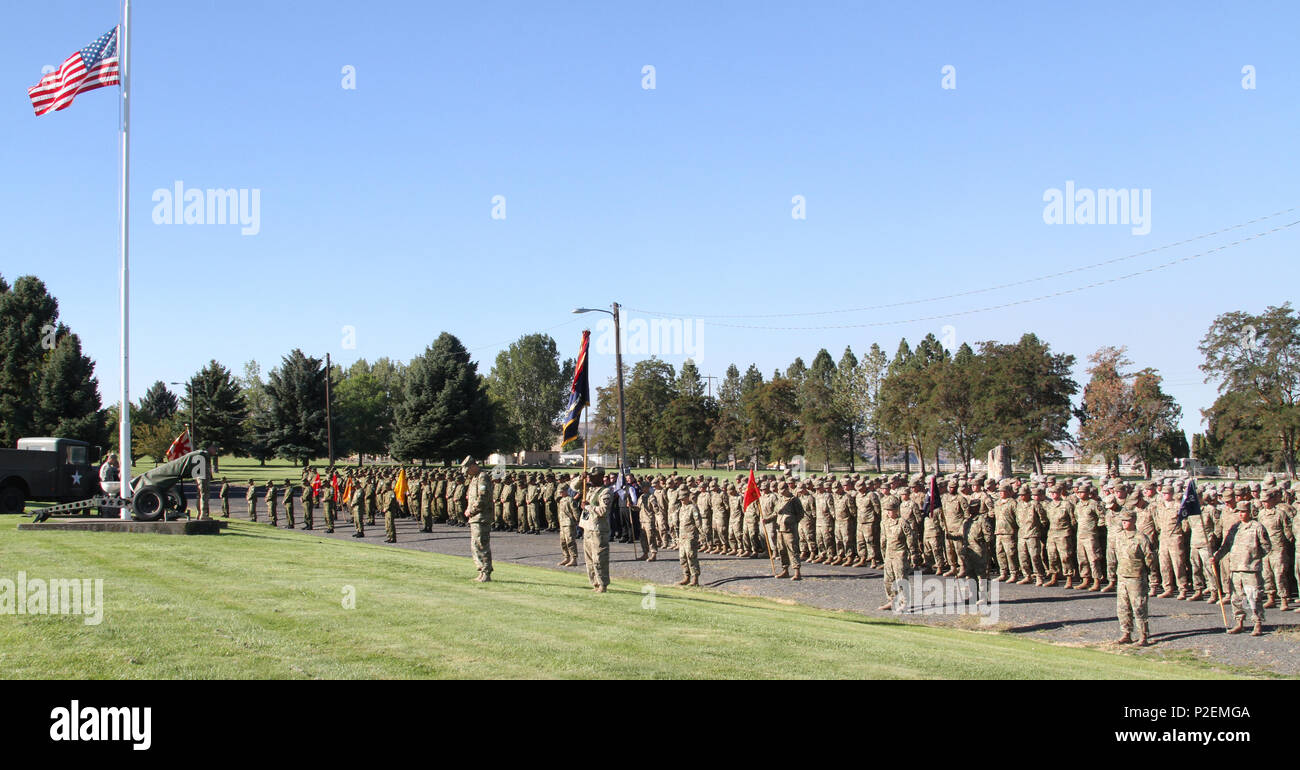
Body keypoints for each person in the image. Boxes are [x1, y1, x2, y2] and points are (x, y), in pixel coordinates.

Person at [1216, 500, 1273, 636]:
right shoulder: (1235, 528)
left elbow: (1266, 546)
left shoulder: (1257, 527)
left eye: (1244, 512)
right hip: (1236, 568)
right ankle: (1239, 623)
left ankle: (1257, 623)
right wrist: (1216, 557)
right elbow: (1226, 546)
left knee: (1254, 597)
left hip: (1251, 569)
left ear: (1250, 512)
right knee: (1236, 598)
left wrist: (1254, 556)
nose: (1241, 514)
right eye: (1239, 512)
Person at [1114, 509, 1158, 646]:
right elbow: (1115, 554)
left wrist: (1150, 573)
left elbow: (1150, 558)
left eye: (1127, 520)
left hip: (1136, 577)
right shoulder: (1119, 536)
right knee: (1122, 607)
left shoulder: (1141, 538)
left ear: (1134, 521)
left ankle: (1143, 636)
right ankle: (1126, 633)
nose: (1124, 523)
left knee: (1139, 607)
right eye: (1123, 521)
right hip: (1122, 575)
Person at [581, 466, 613, 592]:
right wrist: (580, 478)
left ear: (600, 477)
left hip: (598, 529)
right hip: (588, 527)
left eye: (592, 476)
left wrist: (588, 507)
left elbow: (604, 511)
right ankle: (595, 583)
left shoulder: (605, 492)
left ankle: (603, 584)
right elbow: (573, 486)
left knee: (599, 559)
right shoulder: (590, 489)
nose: (590, 478)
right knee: (589, 559)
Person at [462, 457, 493, 582]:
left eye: (468, 469)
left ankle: (486, 572)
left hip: (481, 516)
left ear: (473, 466)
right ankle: (481, 570)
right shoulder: (474, 478)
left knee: (482, 544)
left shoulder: (482, 477)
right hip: (475, 517)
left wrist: (472, 510)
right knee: (475, 545)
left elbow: (482, 498)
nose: (467, 472)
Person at [675, 487, 703, 586]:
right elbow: (678, 524)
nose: (682, 500)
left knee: (691, 557)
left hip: (691, 536)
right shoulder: (681, 508)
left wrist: (702, 535)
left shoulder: (693, 508)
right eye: (680, 499)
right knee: (682, 557)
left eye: (683, 498)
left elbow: (698, 522)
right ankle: (686, 577)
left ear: (688, 497)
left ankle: (695, 578)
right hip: (682, 536)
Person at [556, 478, 580, 567]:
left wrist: (577, 520)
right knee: (563, 542)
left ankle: (574, 558)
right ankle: (566, 557)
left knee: (570, 541)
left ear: (566, 491)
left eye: (562, 491)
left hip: (569, 523)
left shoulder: (570, 500)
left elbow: (575, 511)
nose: (560, 493)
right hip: (562, 523)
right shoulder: (561, 500)